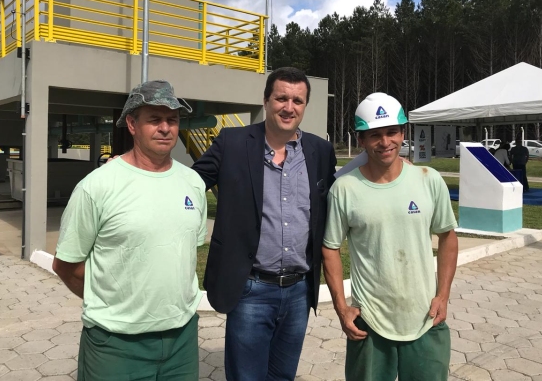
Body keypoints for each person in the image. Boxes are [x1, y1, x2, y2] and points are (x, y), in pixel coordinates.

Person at [53, 80, 207, 381]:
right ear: (133, 125)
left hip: (182, 341)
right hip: (116, 345)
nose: (165, 128)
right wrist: (113, 304)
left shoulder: (193, 183)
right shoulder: (97, 186)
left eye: (172, 119)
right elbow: (66, 265)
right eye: (155, 119)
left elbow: (188, 254)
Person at [192, 67, 336, 380]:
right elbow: (188, 183)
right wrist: (137, 166)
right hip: (251, 289)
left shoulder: (320, 151)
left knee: (283, 376)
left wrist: (390, 164)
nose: (289, 107)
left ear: (305, 106)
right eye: (281, 98)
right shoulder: (232, 142)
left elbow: (341, 191)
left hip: (299, 291)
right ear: (266, 101)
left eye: (297, 100)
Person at [322, 92, 459, 381]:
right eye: (374, 135)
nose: (385, 142)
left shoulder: (428, 179)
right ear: (361, 139)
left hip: (425, 317)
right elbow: (330, 248)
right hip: (369, 323)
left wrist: (443, 295)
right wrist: (341, 308)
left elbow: (447, 237)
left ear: (403, 133)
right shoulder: (344, 189)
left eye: (392, 132)